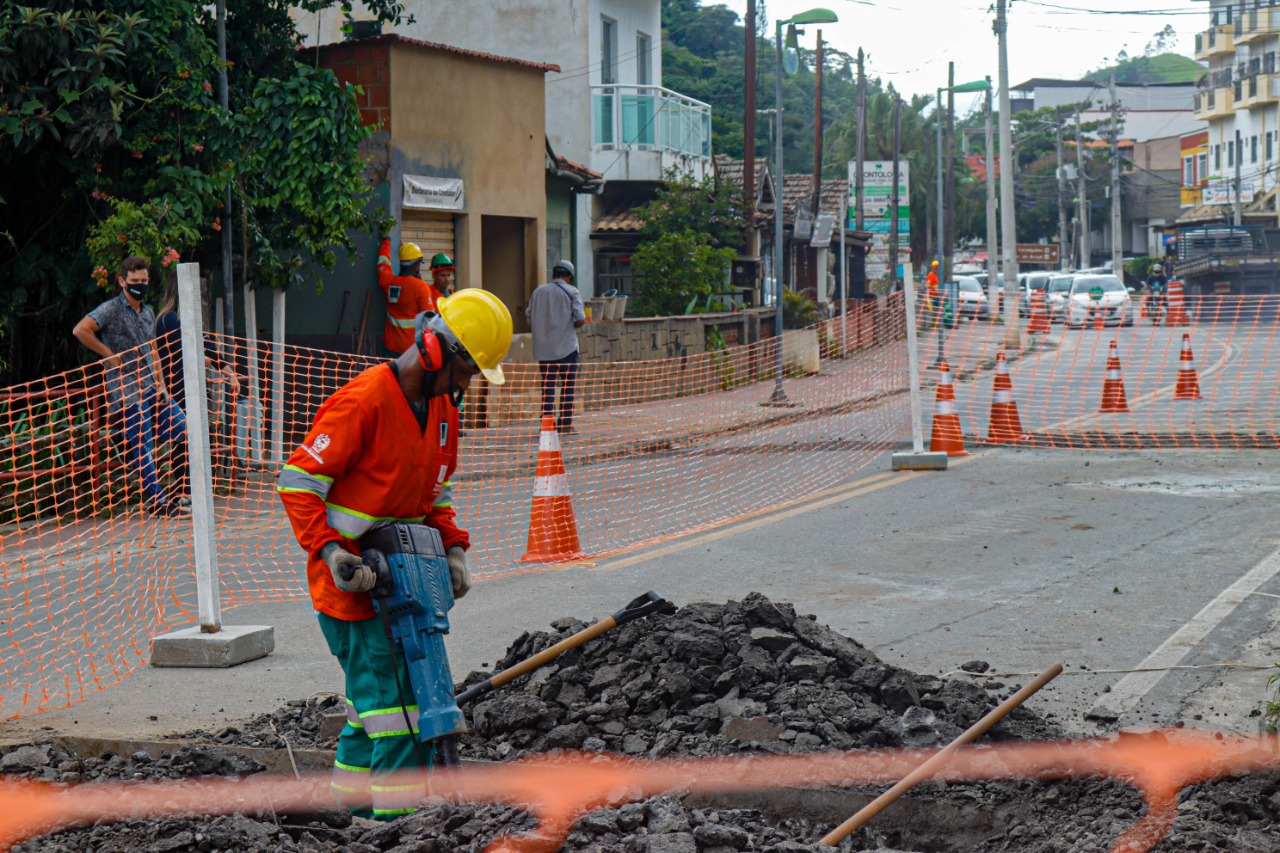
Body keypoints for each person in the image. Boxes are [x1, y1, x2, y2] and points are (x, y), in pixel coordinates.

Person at [276, 289, 512, 821]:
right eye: (468, 371)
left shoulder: (442, 410)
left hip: (406, 582)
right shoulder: (364, 401)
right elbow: (298, 482)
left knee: (373, 709)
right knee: (400, 715)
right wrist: (334, 551)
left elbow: (437, 490)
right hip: (353, 590)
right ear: (436, 353)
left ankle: (349, 814)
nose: (469, 385)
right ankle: (397, 827)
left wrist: (454, 548)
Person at [72, 256, 190, 517]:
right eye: (135, 281)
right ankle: (158, 502)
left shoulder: (147, 312)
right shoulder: (111, 309)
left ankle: (127, 443)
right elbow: (81, 330)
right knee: (144, 445)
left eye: (144, 281)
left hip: (151, 386)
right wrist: (107, 354)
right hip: (126, 390)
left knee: (183, 427)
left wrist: (162, 385)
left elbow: (153, 349)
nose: (140, 285)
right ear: (122, 281)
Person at [154, 272, 242, 411]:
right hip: (176, 392)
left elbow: (208, 348)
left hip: (192, 391)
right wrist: (203, 361)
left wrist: (231, 375)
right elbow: (186, 354)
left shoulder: (189, 320)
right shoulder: (168, 319)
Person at [527, 260, 585, 434]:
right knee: (568, 386)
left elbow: (529, 316)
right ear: (569, 276)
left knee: (548, 387)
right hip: (567, 348)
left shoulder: (538, 292)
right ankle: (566, 423)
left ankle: (547, 424)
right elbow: (580, 319)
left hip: (544, 350)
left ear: (553, 274)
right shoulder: (571, 291)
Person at [377, 238, 445, 356]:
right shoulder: (421, 287)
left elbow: (383, 264)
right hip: (411, 350)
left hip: (390, 347)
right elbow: (429, 321)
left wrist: (386, 241)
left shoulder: (388, 281)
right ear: (416, 265)